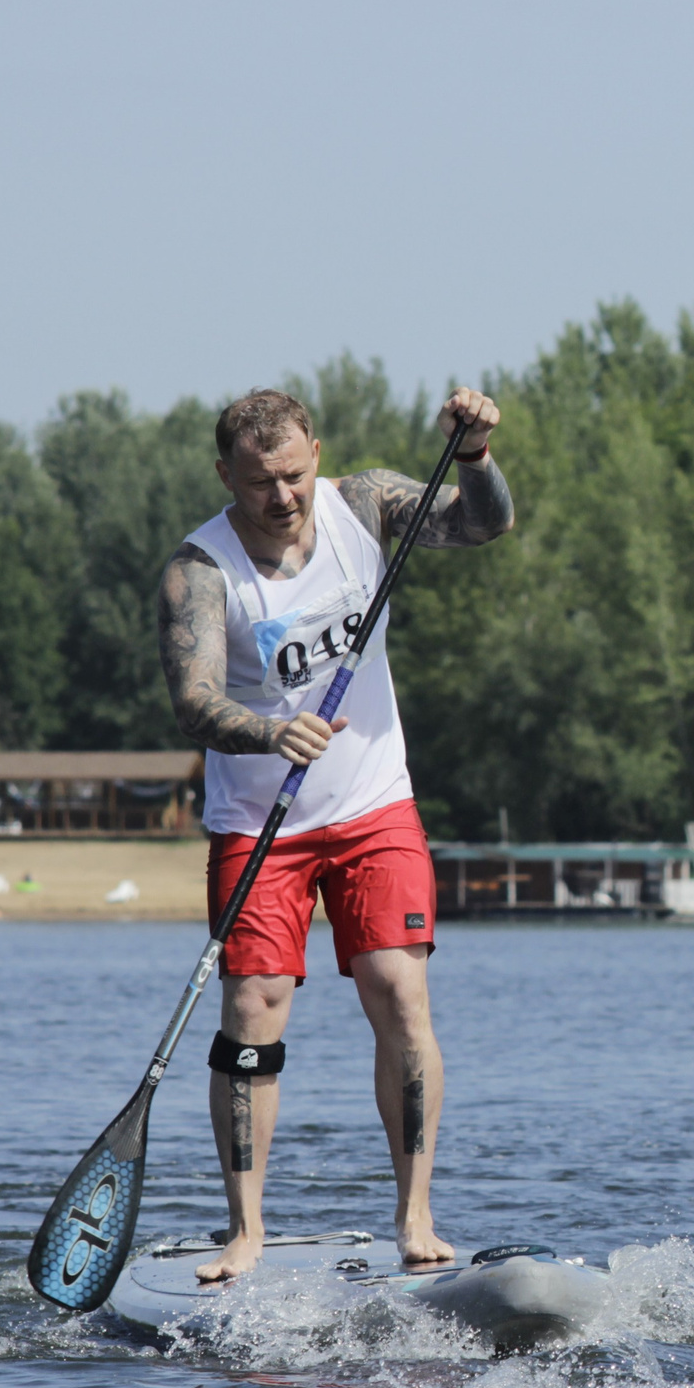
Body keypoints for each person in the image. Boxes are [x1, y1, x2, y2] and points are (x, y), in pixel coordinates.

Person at [155, 386, 512, 1283]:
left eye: (293, 473)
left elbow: (484, 525)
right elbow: (194, 701)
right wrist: (269, 729)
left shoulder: (365, 505)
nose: (282, 496)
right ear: (224, 474)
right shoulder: (201, 570)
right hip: (259, 823)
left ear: (316, 448)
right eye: (259, 482)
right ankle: (245, 1229)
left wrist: (474, 455)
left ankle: (417, 1215)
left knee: (399, 992)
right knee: (252, 1010)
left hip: (372, 805)